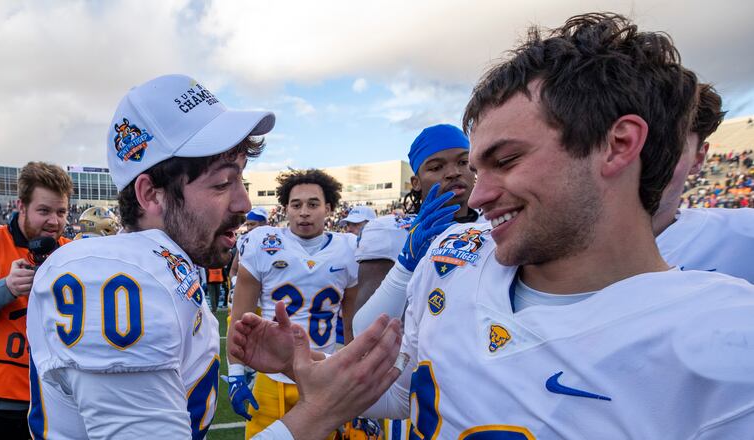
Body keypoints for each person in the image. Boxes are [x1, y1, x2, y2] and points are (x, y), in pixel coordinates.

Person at [232, 12, 754, 438]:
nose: (476, 194)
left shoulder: (727, 339)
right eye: (476, 168)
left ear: (617, 145)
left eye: (506, 161)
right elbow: (410, 390)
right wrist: (307, 365)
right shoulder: (454, 253)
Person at [25, 74, 276, 439]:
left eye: (241, 181)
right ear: (151, 194)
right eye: (222, 183)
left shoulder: (167, 266)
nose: (244, 202)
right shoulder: (123, 279)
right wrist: (322, 407)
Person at [227, 169, 360, 438]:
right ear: (286, 209)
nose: (304, 212)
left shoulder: (350, 248)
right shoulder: (262, 243)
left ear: (329, 208)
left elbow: (352, 324)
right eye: (296, 204)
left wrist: (355, 377)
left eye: (313, 204)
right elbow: (240, 316)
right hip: (271, 374)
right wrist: (235, 373)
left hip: (324, 373)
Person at [0, 162, 72, 438]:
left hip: (52, 402)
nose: (55, 221)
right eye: (44, 211)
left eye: (61, 212)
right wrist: (7, 288)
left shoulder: (72, 251)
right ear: (21, 206)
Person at [351, 123, 478, 335]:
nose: (453, 173)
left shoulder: (494, 224)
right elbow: (364, 331)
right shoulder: (390, 231)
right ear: (416, 182)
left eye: (463, 162)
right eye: (436, 167)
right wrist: (405, 265)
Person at [652, 83, 754, 282]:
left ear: (698, 160)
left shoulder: (744, 235)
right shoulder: (577, 246)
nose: (649, 163)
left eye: (669, 148)